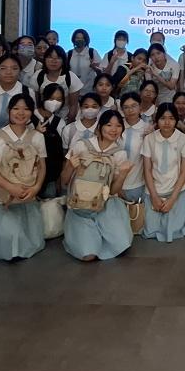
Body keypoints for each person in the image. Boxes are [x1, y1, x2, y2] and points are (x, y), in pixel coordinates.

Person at [0, 93, 46, 261]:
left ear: (32, 112)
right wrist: (11, 188)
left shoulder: (37, 136)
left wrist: (36, 188)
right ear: (9, 111)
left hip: (26, 197)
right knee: (11, 239)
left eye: (26, 109)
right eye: (16, 108)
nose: (21, 113)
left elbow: (42, 166)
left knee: (29, 243)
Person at [62, 110, 135, 262]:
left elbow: (113, 191)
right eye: (109, 125)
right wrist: (69, 166)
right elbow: (64, 180)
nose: (113, 129)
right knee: (88, 255)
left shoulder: (119, 154)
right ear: (100, 126)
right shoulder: (82, 145)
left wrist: (123, 174)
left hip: (106, 205)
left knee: (121, 244)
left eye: (118, 126)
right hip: (80, 206)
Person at [141, 103, 185, 241]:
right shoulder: (149, 139)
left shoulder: (184, 140)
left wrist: (172, 199)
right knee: (151, 231)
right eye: (163, 118)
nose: (167, 122)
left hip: (177, 191)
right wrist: (154, 197)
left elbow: (184, 172)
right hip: (154, 190)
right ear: (157, 120)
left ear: (176, 120)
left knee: (173, 230)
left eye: (171, 118)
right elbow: (147, 170)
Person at [117, 91, 151, 203]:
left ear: (140, 107)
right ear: (122, 110)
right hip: (115, 183)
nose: (130, 110)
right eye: (126, 107)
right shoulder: (116, 127)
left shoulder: (147, 129)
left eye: (134, 106)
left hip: (137, 184)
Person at [32, 46, 83, 119]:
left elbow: (73, 105)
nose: (54, 61)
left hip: (64, 117)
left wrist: (68, 122)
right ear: (45, 59)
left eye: (58, 58)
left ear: (63, 60)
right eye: (50, 57)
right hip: (43, 117)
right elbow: (35, 102)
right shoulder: (38, 75)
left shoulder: (71, 77)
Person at [0, 55, 32, 128]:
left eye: (14, 68)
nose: (8, 72)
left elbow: (29, 119)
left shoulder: (28, 92)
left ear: (20, 71)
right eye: (3, 68)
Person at [61, 92, 103, 158]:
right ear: (80, 108)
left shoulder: (103, 129)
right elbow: (65, 152)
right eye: (86, 106)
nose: (90, 109)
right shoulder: (69, 129)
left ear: (100, 108)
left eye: (94, 106)